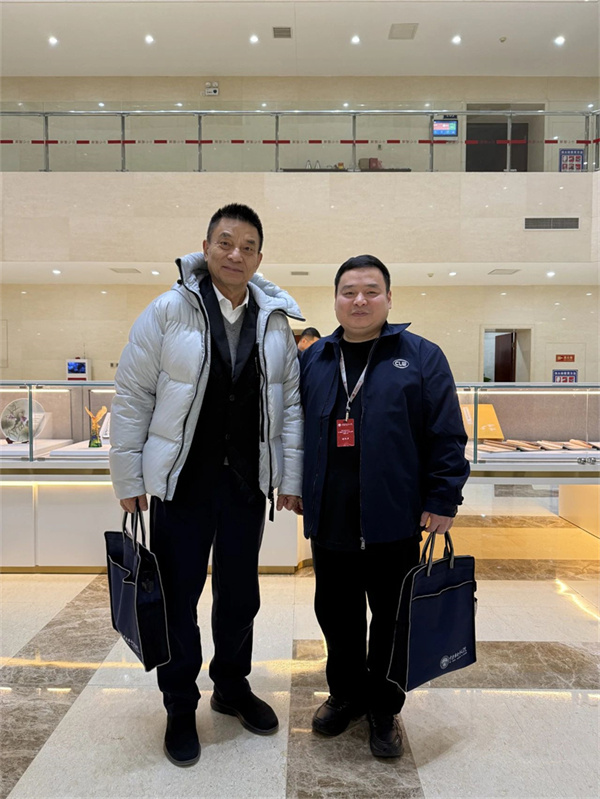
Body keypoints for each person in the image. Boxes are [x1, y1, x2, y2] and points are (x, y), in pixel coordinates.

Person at [109, 203, 303, 767]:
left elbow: (289, 404)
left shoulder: (274, 321)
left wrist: (288, 477)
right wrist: (129, 476)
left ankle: (232, 685)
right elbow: (132, 395)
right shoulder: (168, 310)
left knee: (240, 595)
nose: (235, 254)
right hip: (182, 486)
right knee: (178, 599)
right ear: (206, 247)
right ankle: (179, 703)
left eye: (247, 246)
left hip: (246, 486)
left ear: (259, 257)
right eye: (225, 242)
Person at [299, 254, 469, 759]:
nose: (360, 300)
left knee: (393, 618)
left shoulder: (421, 356)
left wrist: (443, 497)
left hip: (394, 517)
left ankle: (384, 705)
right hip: (331, 516)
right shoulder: (316, 358)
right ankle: (346, 693)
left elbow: (446, 433)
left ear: (389, 299)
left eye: (371, 291)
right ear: (335, 299)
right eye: (349, 291)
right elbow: (293, 430)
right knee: (337, 615)